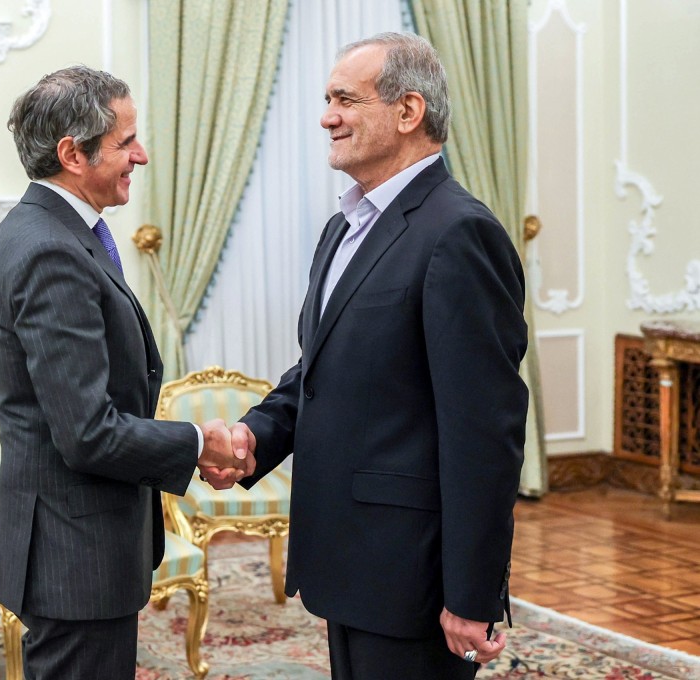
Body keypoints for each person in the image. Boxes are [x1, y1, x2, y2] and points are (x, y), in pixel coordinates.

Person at [205, 33, 529, 679]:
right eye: (327, 100)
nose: (328, 117)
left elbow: (484, 432)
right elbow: (320, 371)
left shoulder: (460, 232)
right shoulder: (344, 227)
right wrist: (255, 437)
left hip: (411, 573)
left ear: (409, 111)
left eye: (345, 100)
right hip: (347, 560)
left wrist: (471, 594)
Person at [0, 65, 251, 679]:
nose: (141, 155)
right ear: (73, 154)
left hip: (73, 543)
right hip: (74, 553)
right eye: (126, 142)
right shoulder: (50, 250)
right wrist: (197, 442)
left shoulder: (52, 232)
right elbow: (88, 432)